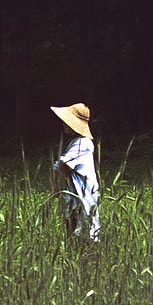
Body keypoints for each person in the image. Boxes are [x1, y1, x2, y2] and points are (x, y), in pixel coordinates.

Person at [50, 102, 100, 241]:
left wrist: (55, 186)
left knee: (84, 229)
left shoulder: (82, 143)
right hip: (76, 192)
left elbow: (62, 164)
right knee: (75, 229)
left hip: (82, 192)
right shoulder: (75, 142)